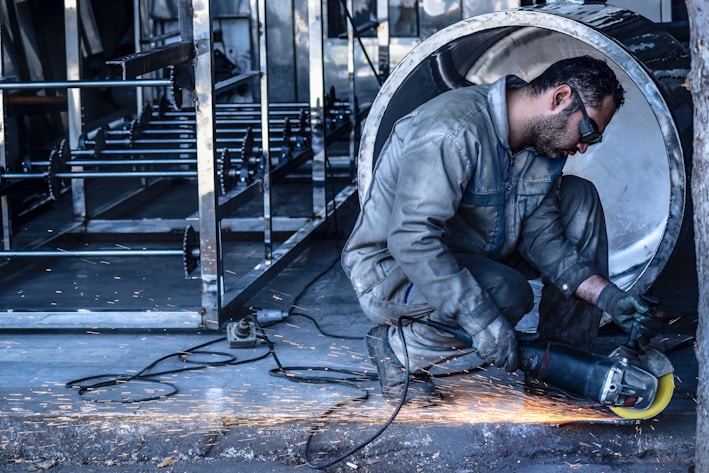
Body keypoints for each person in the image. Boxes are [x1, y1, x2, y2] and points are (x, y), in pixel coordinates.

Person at [340, 55, 662, 406]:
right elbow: (413, 239)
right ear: (560, 98)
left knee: (578, 197)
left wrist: (609, 298)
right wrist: (480, 319)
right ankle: (399, 351)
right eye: (588, 131)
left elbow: (544, 238)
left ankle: (563, 370)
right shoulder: (453, 131)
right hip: (392, 271)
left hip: (477, 253)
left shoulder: (544, 147)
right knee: (507, 292)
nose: (584, 146)